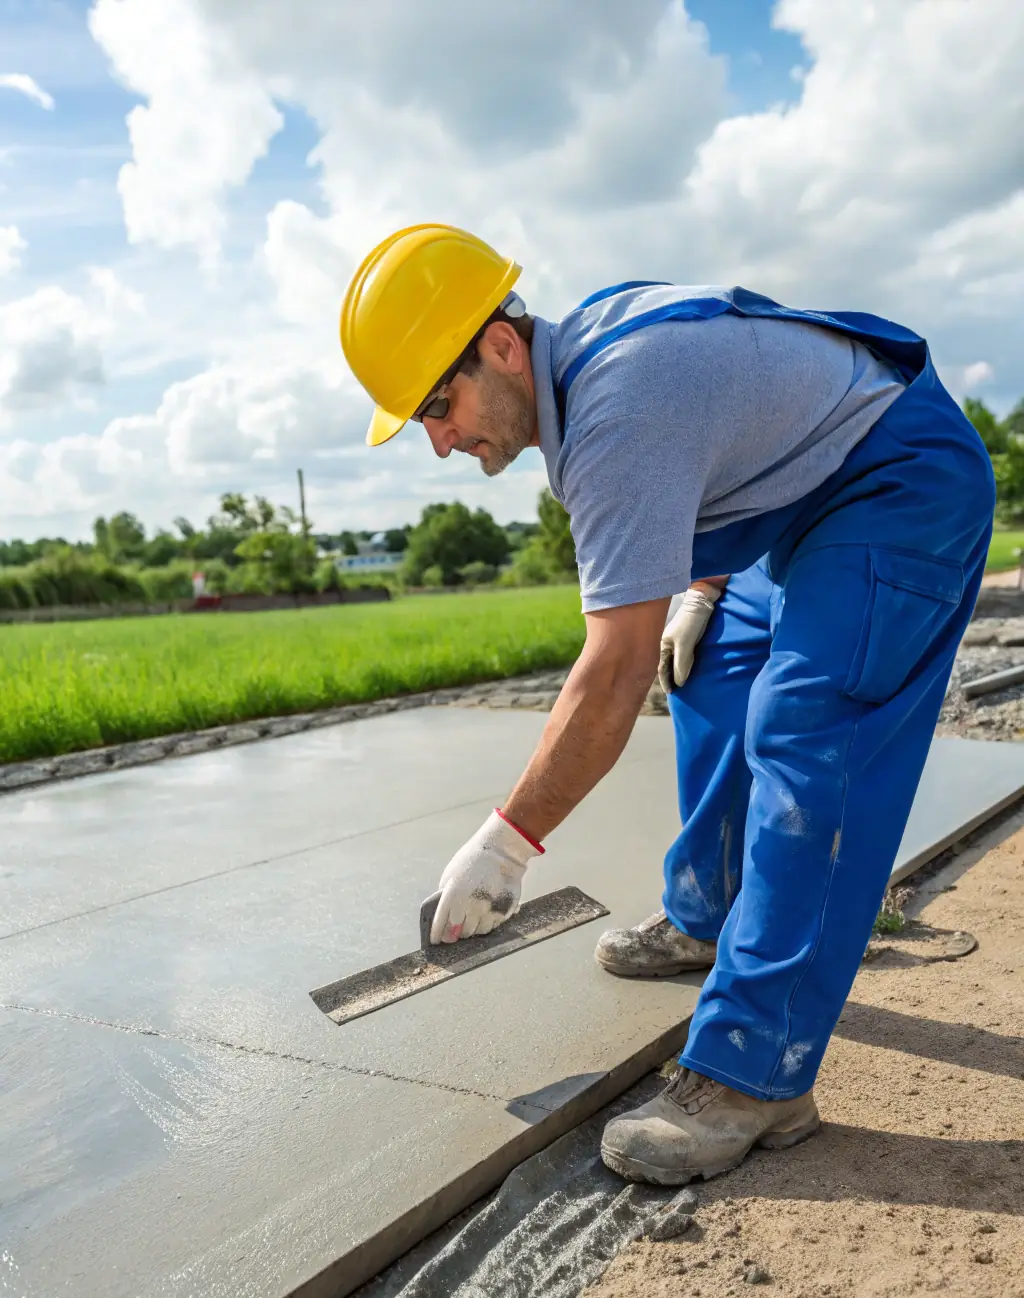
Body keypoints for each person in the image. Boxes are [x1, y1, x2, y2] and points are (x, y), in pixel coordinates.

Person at [339, 224, 994, 1186]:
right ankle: (710, 913)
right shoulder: (587, 371)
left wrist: (509, 841)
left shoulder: (613, 412)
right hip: (807, 493)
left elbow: (608, 678)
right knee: (713, 665)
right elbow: (735, 436)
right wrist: (704, 585)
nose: (439, 441)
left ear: (502, 346)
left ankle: (755, 1071)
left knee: (811, 733)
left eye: (439, 405)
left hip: (895, 480)